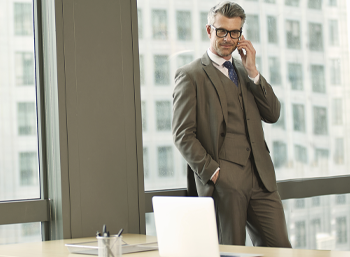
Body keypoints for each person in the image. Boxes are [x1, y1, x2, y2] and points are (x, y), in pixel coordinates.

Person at [172, 1, 292, 247]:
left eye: (234, 32)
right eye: (222, 31)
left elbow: (273, 113)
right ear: (209, 31)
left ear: (241, 35)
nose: (228, 38)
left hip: (261, 179)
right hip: (225, 182)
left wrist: (253, 73)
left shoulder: (245, 70)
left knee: (281, 249)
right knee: (232, 251)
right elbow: (183, 135)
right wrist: (214, 173)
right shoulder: (190, 75)